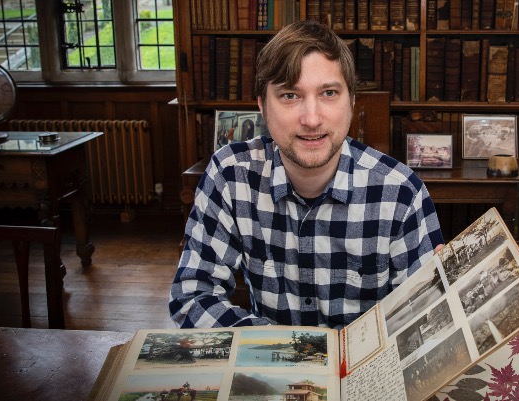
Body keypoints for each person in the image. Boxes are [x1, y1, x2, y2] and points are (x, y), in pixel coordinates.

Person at [170, 20, 444, 330]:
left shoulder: (403, 193)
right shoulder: (230, 175)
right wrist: (285, 349)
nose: (311, 119)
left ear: (352, 102)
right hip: (268, 357)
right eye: (290, 95)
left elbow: (428, 321)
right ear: (262, 106)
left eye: (329, 93)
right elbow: (192, 297)